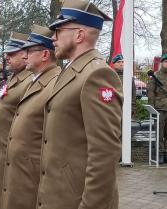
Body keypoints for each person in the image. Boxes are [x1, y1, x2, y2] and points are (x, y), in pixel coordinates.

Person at [36, 1, 123, 209]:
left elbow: (104, 153)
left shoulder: (97, 75)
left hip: (76, 201)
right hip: (59, 195)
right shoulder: (73, 70)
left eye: (58, 30)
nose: (53, 38)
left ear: (79, 35)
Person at [0, 25, 60, 209]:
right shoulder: (36, 80)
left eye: (28, 51)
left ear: (44, 55)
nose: (24, 55)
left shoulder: (54, 83)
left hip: (32, 173)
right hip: (20, 170)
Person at [0, 32, 33, 209]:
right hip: (1, 152)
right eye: (7, 54)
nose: (7, 57)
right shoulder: (14, 78)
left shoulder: (29, 81)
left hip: (12, 155)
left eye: (12, 54)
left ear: (25, 53)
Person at [147, 53, 167, 154]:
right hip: (160, 108)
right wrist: (152, 108)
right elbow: (150, 92)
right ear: (162, 63)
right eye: (166, 62)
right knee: (159, 132)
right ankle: (159, 153)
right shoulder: (156, 76)